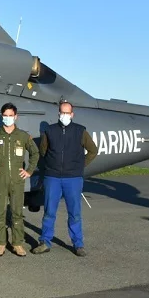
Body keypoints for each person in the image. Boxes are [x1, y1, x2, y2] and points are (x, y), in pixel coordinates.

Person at [33, 101, 98, 256]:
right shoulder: (49, 130)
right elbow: (43, 151)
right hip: (52, 177)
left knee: (74, 212)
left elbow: (93, 150)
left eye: (67, 113)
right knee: (49, 211)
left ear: (72, 114)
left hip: (73, 178)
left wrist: (80, 166)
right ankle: (45, 242)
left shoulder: (80, 131)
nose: (65, 115)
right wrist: (51, 165)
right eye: (62, 112)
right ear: (58, 114)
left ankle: (78, 244)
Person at [0, 103, 39, 257]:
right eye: (5, 116)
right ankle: (1, 243)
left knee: (16, 213)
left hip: (17, 179)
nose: (8, 118)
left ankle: (17, 243)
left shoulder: (22, 136)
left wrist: (29, 171)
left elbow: (35, 153)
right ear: (2, 117)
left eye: (10, 115)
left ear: (16, 116)